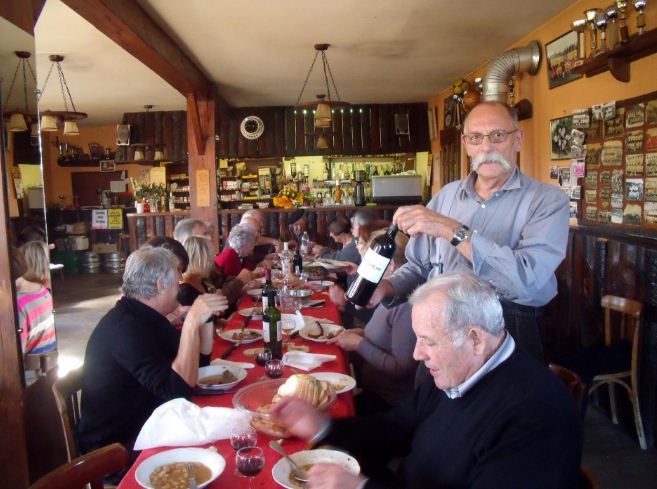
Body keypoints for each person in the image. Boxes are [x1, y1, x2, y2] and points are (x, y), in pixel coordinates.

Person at [272, 272, 582, 489]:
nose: (418, 354)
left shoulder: (535, 416)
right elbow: (398, 426)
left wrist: (360, 487)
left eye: (428, 341)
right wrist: (324, 426)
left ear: (474, 338)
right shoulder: (457, 370)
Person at [366, 102, 570, 361]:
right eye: (476, 138)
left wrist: (449, 228)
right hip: (441, 325)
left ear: (517, 140)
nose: (486, 147)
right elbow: (419, 267)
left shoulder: (547, 201)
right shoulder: (447, 196)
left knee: (501, 403)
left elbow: (526, 279)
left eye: (498, 135)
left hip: (509, 325)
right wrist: (388, 287)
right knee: (435, 400)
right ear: (466, 144)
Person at [77, 247, 228, 456]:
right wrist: (192, 322)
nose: (181, 282)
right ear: (159, 284)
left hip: (155, 421)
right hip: (118, 447)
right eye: (177, 277)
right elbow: (178, 388)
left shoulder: (148, 316)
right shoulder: (125, 328)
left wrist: (206, 319)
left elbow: (199, 366)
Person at [330, 229, 415, 414]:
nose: (363, 269)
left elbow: (401, 369)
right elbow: (385, 338)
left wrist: (359, 344)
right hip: (373, 392)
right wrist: (361, 334)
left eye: (369, 264)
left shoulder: (405, 305)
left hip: (388, 405)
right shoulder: (386, 295)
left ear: (390, 265)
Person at [14, 244, 56, 356]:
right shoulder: (45, 292)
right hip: (47, 360)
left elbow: (17, 353)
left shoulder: (18, 304)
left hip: (31, 369)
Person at [177, 235, 216, 306]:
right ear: (201, 260)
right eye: (210, 257)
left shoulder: (200, 279)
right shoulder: (185, 292)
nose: (213, 260)